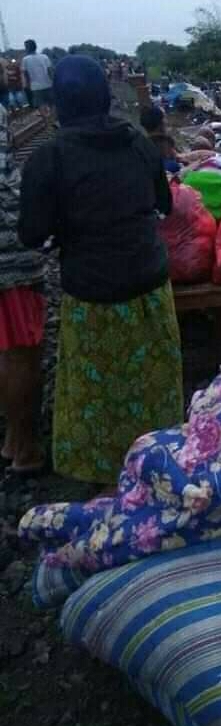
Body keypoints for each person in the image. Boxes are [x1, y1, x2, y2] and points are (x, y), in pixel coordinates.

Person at [19, 56, 184, 484]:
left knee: (99, 396)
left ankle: (106, 481)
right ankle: (156, 468)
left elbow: (32, 234)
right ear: (106, 95)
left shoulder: (48, 159)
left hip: (92, 299)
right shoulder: (140, 144)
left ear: (58, 102)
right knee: (151, 388)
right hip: (149, 289)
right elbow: (163, 205)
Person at [0, 104, 46, 474]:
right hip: (8, 257)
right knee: (21, 351)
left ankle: (12, 440)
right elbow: (5, 183)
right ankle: (24, 447)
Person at [21, 40, 54, 118]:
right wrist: (53, 82)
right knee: (52, 103)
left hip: (35, 87)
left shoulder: (25, 59)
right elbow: (50, 71)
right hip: (48, 84)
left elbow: (26, 75)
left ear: (27, 48)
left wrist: (28, 86)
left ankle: (47, 123)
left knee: (41, 105)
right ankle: (53, 120)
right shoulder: (44, 57)